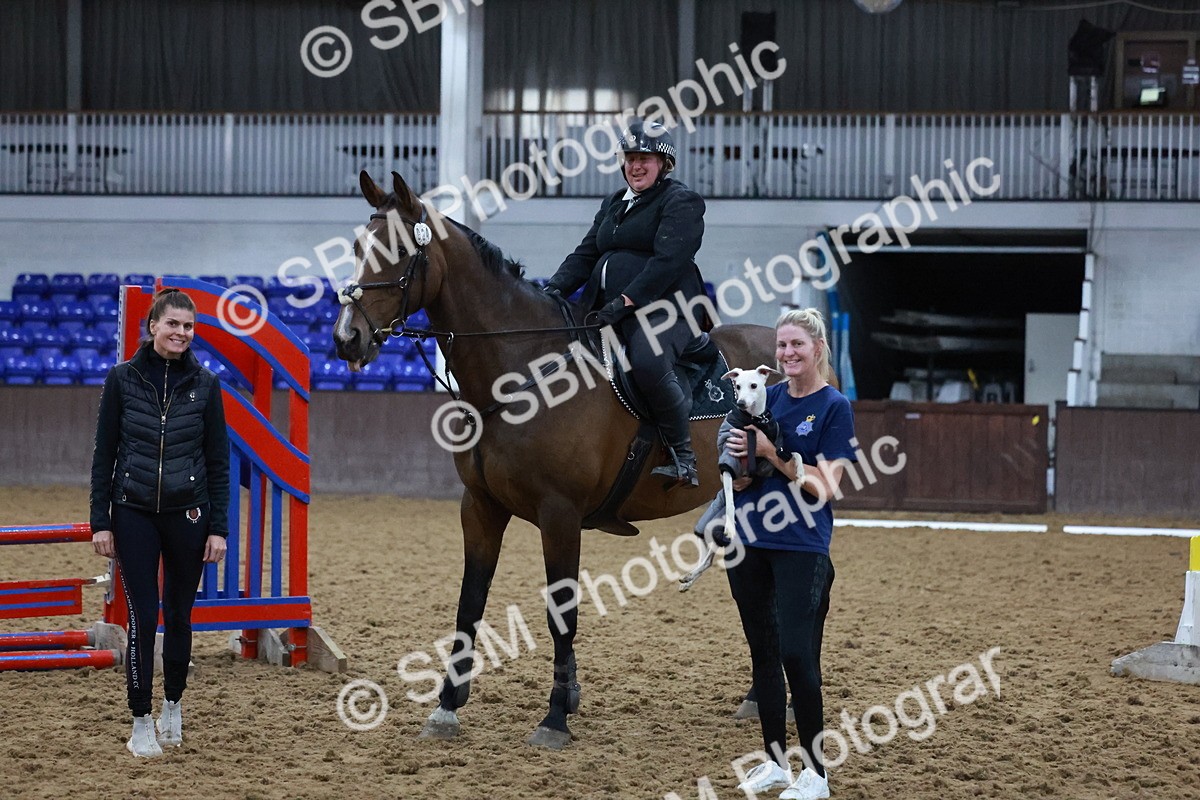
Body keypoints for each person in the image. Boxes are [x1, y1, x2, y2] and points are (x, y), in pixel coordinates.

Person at [721, 308, 856, 800]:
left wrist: (771, 455)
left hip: (802, 546)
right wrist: (739, 467)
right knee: (763, 655)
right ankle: (777, 764)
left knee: (798, 655)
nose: (788, 353)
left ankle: (816, 774)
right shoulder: (766, 397)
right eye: (782, 346)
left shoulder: (835, 406)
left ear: (817, 348)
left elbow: (827, 487)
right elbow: (746, 472)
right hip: (749, 543)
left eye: (797, 344)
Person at [90, 288, 230, 758]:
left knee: (179, 615)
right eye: (173, 324)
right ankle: (140, 719)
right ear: (153, 327)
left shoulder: (207, 385)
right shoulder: (121, 379)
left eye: (189, 327)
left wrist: (219, 529)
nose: (181, 333)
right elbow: (103, 455)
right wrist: (100, 521)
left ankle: (173, 703)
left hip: (189, 515)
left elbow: (218, 462)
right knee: (143, 617)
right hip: (131, 513)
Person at [543, 118, 708, 487]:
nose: (636, 165)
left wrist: (626, 299)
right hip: (608, 309)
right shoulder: (615, 203)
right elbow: (586, 254)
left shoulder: (680, 201)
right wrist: (552, 291)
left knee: (647, 361)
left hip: (667, 309)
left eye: (645, 158)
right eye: (630, 157)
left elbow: (667, 263)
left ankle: (683, 456)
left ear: (663, 164)